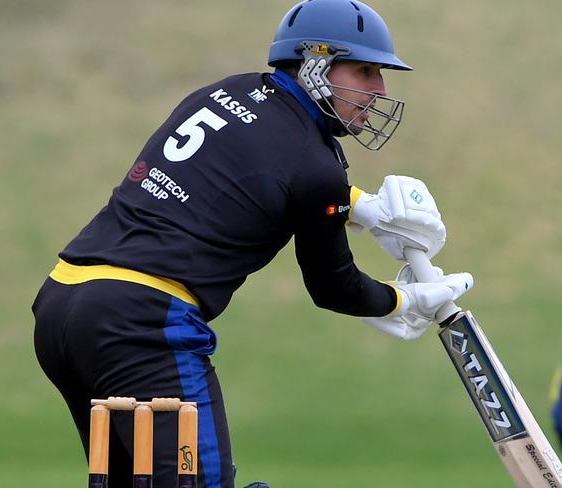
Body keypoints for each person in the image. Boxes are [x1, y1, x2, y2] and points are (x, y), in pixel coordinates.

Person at [32, 1, 473, 487]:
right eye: (365, 71)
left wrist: (361, 206)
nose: (379, 90)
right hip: (142, 325)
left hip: (62, 305)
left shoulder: (230, 92)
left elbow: (252, 171)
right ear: (315, 65)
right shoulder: (316, 163)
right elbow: (334, 287)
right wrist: (403, 299)